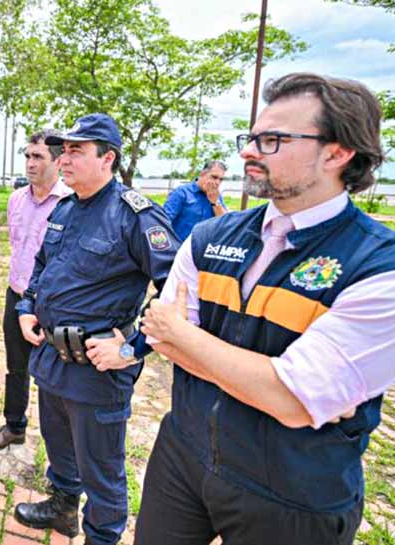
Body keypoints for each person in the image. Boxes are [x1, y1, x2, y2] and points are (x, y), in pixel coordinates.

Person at [137, 73, 395, 545]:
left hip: (294, 493)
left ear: (337, 152)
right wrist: (280, 384)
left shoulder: (378, 267)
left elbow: (292, 403)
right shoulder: (213, 237)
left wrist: (187, 338)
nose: (247, 152)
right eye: (252, 137)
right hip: (184, 454)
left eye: (272, 140)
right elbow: (159, 334)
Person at [12, 114, 180, 545]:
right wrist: (28, 306)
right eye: (63, 149)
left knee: (101, 464)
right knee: (59, 445)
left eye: (76, 151)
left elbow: (178, 290)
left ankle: (102, 536)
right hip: (51, 356)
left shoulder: (134, 216)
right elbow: (43, 267)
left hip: (97, 367)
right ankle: (63, 506)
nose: (64, 159)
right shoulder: (65, 208)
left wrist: (134, 347)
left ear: (108, 158)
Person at [0, 129, 71, 450]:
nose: (30, 163)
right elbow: (18, 247)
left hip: (52, 304)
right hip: (16, 295)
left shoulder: (70, 203)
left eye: (38, 157)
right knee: (15, 367)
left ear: (59, 161)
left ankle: (60, 446)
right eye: (27, 156)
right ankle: (14, 426)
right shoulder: (17, 199)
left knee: (56, 376)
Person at [163, 160, 228, 241]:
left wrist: (215, 202)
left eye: (221, 179)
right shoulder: (181, 193)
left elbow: (225, 223)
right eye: (214, 177)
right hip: (180, 248)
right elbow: (163, 221)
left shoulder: (216, 196)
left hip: (204, 248)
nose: (217, 182)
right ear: (202, 173)